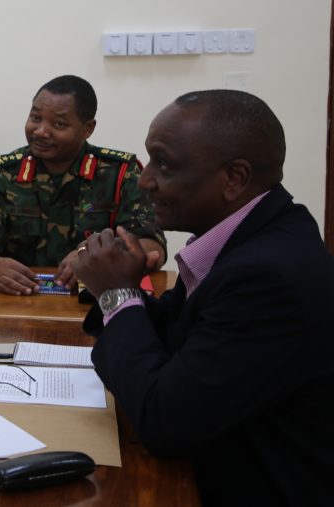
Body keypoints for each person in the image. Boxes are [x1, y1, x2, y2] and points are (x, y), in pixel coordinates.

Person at [72, 90, 334, 505]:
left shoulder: (268, 277)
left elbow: (164, 420)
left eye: (164, 164)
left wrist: (118, 293)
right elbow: (181, 334)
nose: (145, 180)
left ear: (234, 179)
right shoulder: (249, 235)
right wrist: (116, 288)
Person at [0, 75, 166, 295]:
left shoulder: (121, 173)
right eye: (35, 117)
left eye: (58, 124)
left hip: (98, 299)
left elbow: (151, 245)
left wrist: (92, 256)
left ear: (87, 129)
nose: (41, 131)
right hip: (19, 297)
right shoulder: (3, 172)